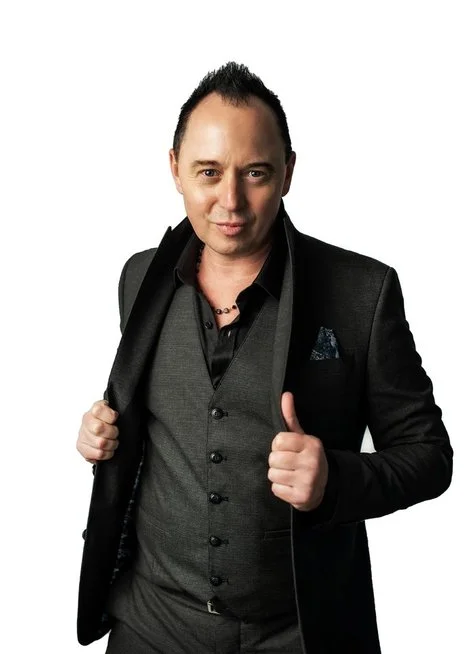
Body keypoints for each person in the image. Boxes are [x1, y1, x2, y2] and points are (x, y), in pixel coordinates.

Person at [76, 61, 453, 654]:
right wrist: (102, 435)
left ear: (288, 173)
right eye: (208, 172)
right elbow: (152, 422)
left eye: (255, 173)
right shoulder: (138, 277)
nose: (230, 201)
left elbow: (430, 457)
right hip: (151, 624)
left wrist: (334, 479)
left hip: (296, 632)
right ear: (174, 168)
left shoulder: (363, 292)